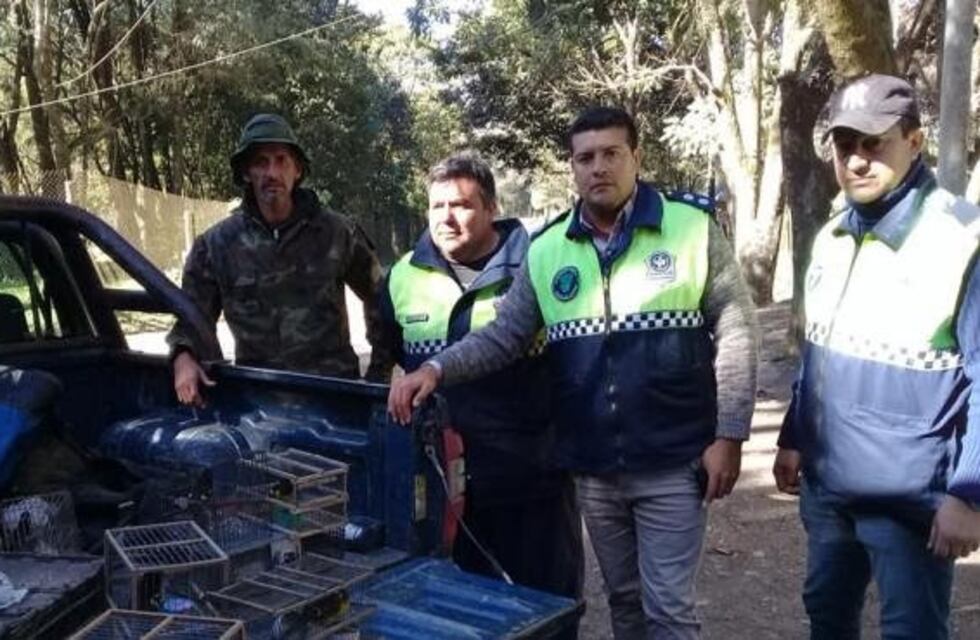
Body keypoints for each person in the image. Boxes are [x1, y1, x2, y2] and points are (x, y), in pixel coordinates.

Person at [388, 107, 758, 639]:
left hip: (672, 458)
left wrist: (730, 434)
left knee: (668, 608)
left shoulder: (690, 230)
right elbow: (505, 335)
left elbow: (738, 330)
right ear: (573, 167)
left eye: (611, 153)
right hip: (593, 465)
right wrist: (437, 368)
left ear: (636, 157)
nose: (598, 167)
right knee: (624, 600)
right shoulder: (548, 250)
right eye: (585, 158)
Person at [772, 74, 980, 639]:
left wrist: (969, 495)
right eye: (845, 147)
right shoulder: (832, 236)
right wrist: (793, 435)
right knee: (827, 615)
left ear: (914, 141)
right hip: (828, 488)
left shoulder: (961, 238)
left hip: (910, 498)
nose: (857, 161)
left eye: (873, 144)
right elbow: (819, 349)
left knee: (912, 629)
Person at [379, 152, 583, 616]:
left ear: (492, 208)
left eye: (462, 205)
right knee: (456, 613)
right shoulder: (400, 278)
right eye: (437, 206)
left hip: (530, 481)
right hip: (440, 486)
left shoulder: (538, 265)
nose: (446, 218)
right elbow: (390, 356)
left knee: (544, 607)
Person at [167, 113, 392, 406]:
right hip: (258, 404)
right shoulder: (216, 245)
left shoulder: (338, 233)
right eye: (261, 162)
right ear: (246, 172)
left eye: (281, 160)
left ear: (297, 169)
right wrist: (183, 357)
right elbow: (191, 317)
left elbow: (380, 299)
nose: (272, 172)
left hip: (334, 399)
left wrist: (377, 377)